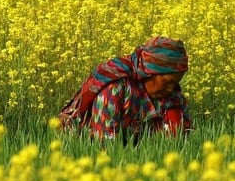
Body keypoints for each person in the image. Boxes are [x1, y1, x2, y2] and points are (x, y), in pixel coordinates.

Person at [57, 36, 193, 142]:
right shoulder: (116, 88)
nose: (171, 89)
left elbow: (184, 141)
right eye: (168, 82)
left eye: (175, 83)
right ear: (150, 73)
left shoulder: (173, 97)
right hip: (81, 146)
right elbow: (103, 143)